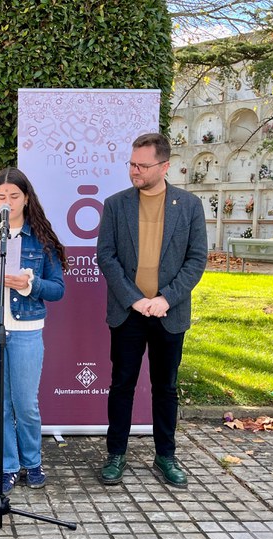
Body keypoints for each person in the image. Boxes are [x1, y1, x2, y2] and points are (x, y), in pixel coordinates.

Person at [96, 133, 208, 488]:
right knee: (122, 385)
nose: (134, 171)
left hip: (168, 313)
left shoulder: (189, 206)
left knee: (165, 387)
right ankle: (116, 454)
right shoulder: (115, 205)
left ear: (165, 166)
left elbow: (196, 259)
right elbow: (107, 256)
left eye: (142, 166)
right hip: (128, 312)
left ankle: (166, 456)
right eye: (131, 164)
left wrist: (165, 299)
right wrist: (134, 298)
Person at [0, 167, 66, 494]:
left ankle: (32, 461)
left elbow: (58, 289)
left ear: (26, 198)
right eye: (1, 196)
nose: (7, 202)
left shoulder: (42, 239)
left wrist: (31, 284)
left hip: (26, 330)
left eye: (14, 196)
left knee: (25, 403)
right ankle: (7, 467)